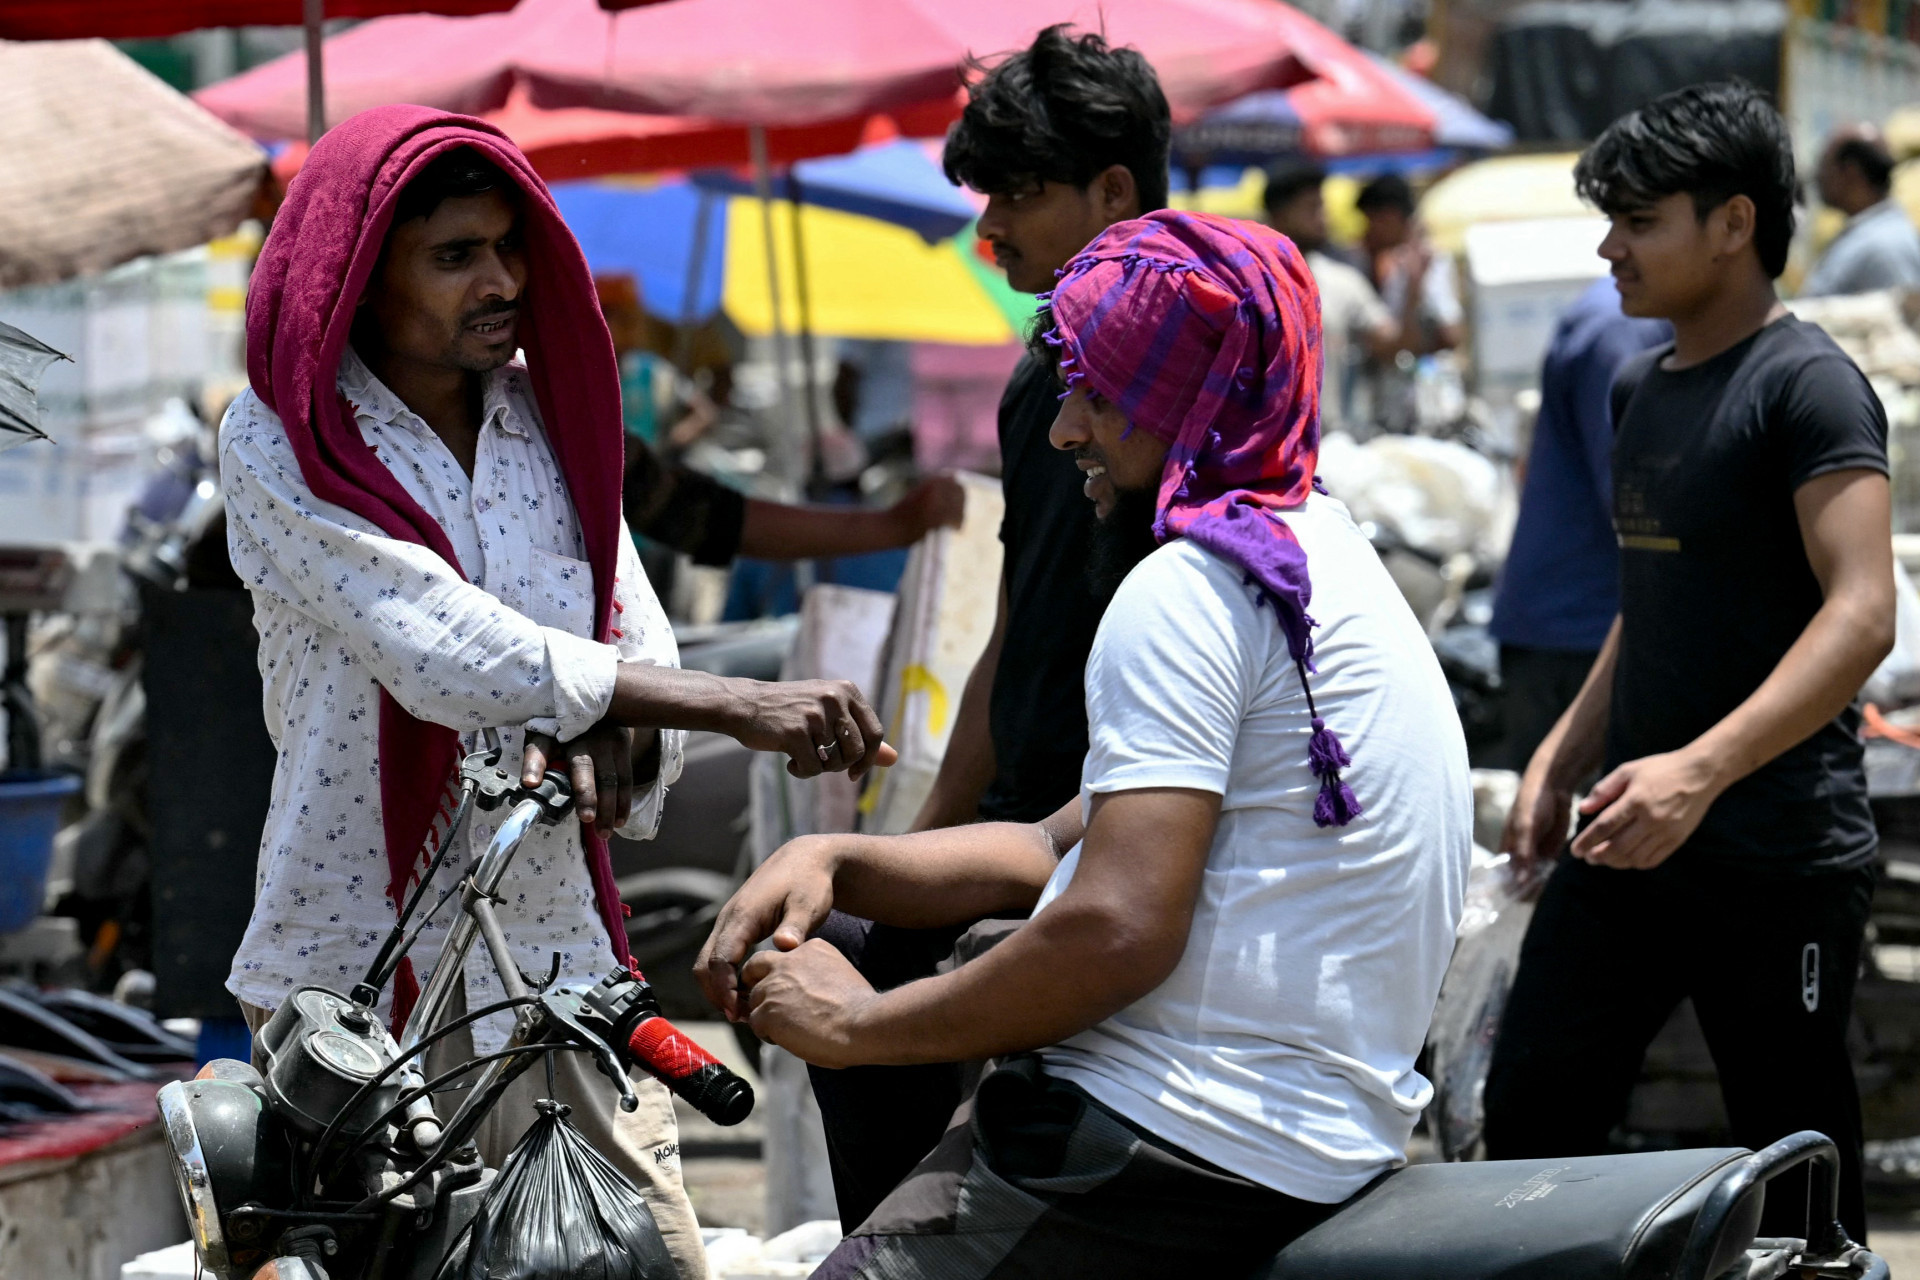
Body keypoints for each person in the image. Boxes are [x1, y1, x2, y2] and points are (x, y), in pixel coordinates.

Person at [697, 210, 1470, 1278]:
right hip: (1300, 1131)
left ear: (1190, 398)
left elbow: (1115, 927)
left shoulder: (1189, 590)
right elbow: (1052, 843)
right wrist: (836, 857)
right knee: (870, 926)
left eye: (1100, 393)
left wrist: (862, 1027)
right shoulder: (1321, 557)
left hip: (1175, 1138)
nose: (1065, 429)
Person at [220, 108, 899, 1280]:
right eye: (453, 256)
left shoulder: (549, 420)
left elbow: (630, 630)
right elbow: (438, 642)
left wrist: (624, 736)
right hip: (357, 983)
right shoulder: (282, 443)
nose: (499, 280)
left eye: (507, 246)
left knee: (656, 1251)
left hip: (554, 965)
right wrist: (734, 703)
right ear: (359, 284)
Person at [1485, 83, 1894, 1242]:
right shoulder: (1637, 384)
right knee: (1532, 1107)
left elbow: (1864, 615)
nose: (1610, 247)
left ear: (1734, 223)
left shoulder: (1805, 384)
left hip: (1777, 849)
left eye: (1639, 220)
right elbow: (1649, 595)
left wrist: (1699, 771)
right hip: (1631, 831)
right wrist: (1565, 751)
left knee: (1794, 1149)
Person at [797, 25, 1174, 1232]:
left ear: (1114, 191)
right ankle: (888, 1237)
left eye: (1021, 192)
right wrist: (923, 840)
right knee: (843, 936)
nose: (991, 229)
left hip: (1130, 829)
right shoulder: (1040, 380)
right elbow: (1014, 628)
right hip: (1030, 819)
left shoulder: (1188, 376)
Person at [1487, 278, 1668, 769]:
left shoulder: (1630, 319)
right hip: (1577, 636)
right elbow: (1632, 497)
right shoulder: (1621, 328)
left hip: (1583, 626)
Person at [1262, 159, 1398, 436]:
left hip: (1331, 445)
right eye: (1312, 208)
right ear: (1280, 216)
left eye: (1322, 206)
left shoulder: (1343, 281)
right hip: (1268, 451)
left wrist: (1415, 289)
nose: (1323, 217)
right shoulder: (1250, 285)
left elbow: (1390, 345)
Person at [1355, 173, 1463, 431]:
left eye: (1372, 221)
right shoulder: (1384, 262)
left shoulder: (1429, 263)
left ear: (1390, 217)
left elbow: (1451, 334)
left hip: (1427, 404)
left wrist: (1415, 287)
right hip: (1394, 402)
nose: (1367, 232)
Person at [1802, 124, 1920, 298]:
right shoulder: (1867, 233)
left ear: (1851, 172)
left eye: (1824, 166)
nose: (1818, 177)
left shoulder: (1886, 246)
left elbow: (1900, 321)